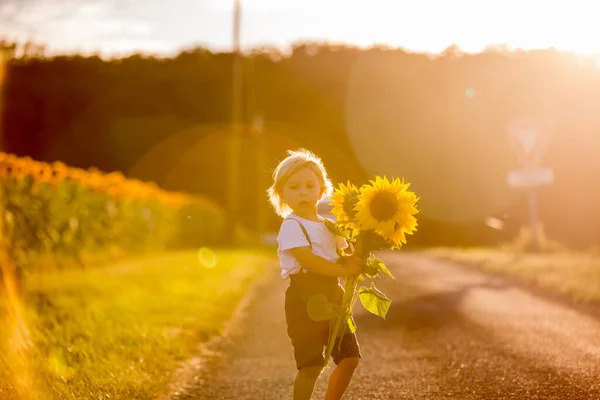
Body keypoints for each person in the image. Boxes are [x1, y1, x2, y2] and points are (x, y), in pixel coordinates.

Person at [267, 148, 363, 400]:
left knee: (349, 358)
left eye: (310, 186)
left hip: (335, 295)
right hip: (304, 297)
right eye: (294, 187)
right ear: (282, 194)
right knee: (311, 365)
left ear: (322, 189)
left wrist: (357, 257)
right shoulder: (292, 226)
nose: (302, 192)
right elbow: (310, 260)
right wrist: (344, 269)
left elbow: (342, 255)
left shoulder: (330, 225)